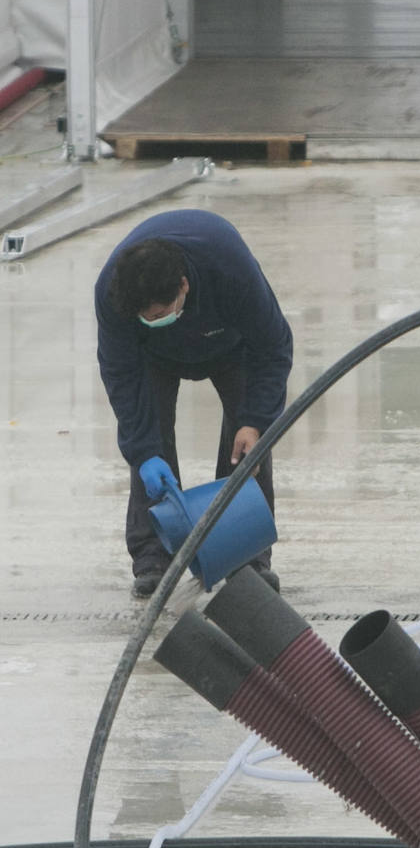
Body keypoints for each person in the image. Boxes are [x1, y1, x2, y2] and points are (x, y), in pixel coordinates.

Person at [95, 209, 293, 597]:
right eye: (145, 317)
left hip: (233, 344)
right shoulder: (113, 293)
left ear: (183, 285)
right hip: (154, 357)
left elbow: (274, 348)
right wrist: (144, 450)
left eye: (159, 314)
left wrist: (254, 422)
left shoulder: (231, 270)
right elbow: (120, 372)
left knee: (248, 448)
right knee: (149, 447)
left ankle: (246, 556)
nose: (152, 319)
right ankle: (155, 558)